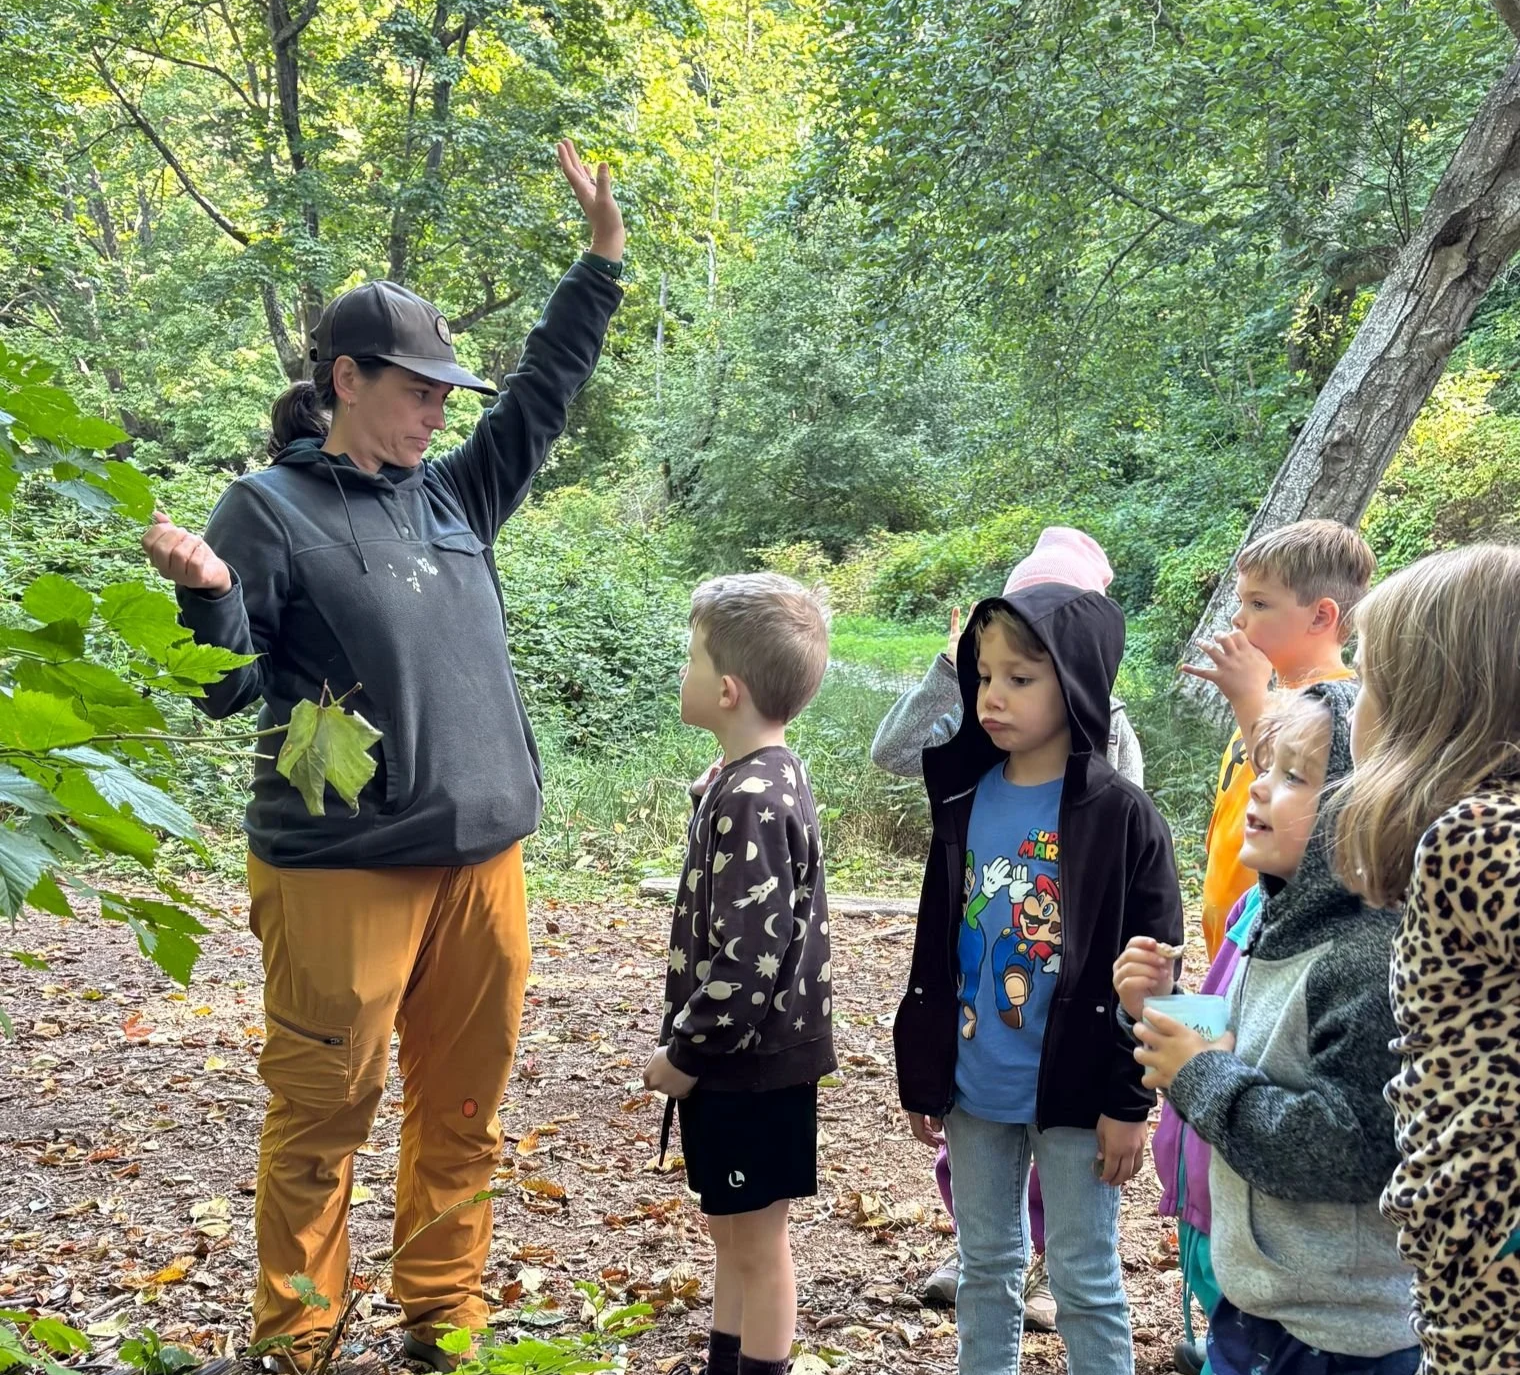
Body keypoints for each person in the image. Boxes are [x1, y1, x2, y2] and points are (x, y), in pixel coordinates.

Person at [139, 141, 625, 1372]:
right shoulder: (267, 508)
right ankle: (296, 1335)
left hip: (483, 862)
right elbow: (232, 691)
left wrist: (599, 265)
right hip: (340, 869)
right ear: (348, 379)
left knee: (461, 1111)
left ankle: (441, 1313)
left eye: (443, 394)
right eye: (417, 390)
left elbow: (541, 396)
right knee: (321, 1116)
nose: (437, 410)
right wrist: (205, 594)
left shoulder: (453, 496)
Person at [895, 583, 1184, 1375]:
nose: (993, 696)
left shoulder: (1123, 817)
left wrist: (1130, 1102)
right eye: (984, 676)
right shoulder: (962, 799)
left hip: (1078, 1097)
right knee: (985, 1269)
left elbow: (1156, 974)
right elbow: (935, 948)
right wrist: (925, 1072)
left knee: (1086, 1281)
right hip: (975, 1089)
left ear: (1077, 680)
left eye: (1020, 678)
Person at [1124, 683, 1418, 1375]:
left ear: (1365, 806)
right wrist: (1163, 1007)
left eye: (1295, 775)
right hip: (1262, 1304)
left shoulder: (1365, 957)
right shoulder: (1270, 919)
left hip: (1342, 1338)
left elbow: (1348, 1144)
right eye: (1265, 767)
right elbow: (1242, 1055)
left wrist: (1198, 1071)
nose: (1258, 790)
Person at [1334, 543, 1520, 1373]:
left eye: (1367, 676)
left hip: (1491, 1274)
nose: (1353, 703)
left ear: (1429, 701)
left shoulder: (1477, 835)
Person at [643, 573, 834, 1375]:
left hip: (746, 1062)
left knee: (758, 1243)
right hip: (747, 1062)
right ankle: (726, 1362)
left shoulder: (749, 799)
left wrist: (682, 1056)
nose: (682, 673)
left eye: (692, 659)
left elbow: (744, 962)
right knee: (731, 1226)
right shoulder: (756, 775)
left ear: (726, 689)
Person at [1182, 519, 1374, 963]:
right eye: (1241, 601)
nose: (1238, 618)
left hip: (1276, 941)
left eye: (1260, 603)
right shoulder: (1266, 698)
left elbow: (1290, 786)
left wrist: (1248, 697)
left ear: (1322, 616)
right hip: (1229, 935)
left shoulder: (1340, 709)